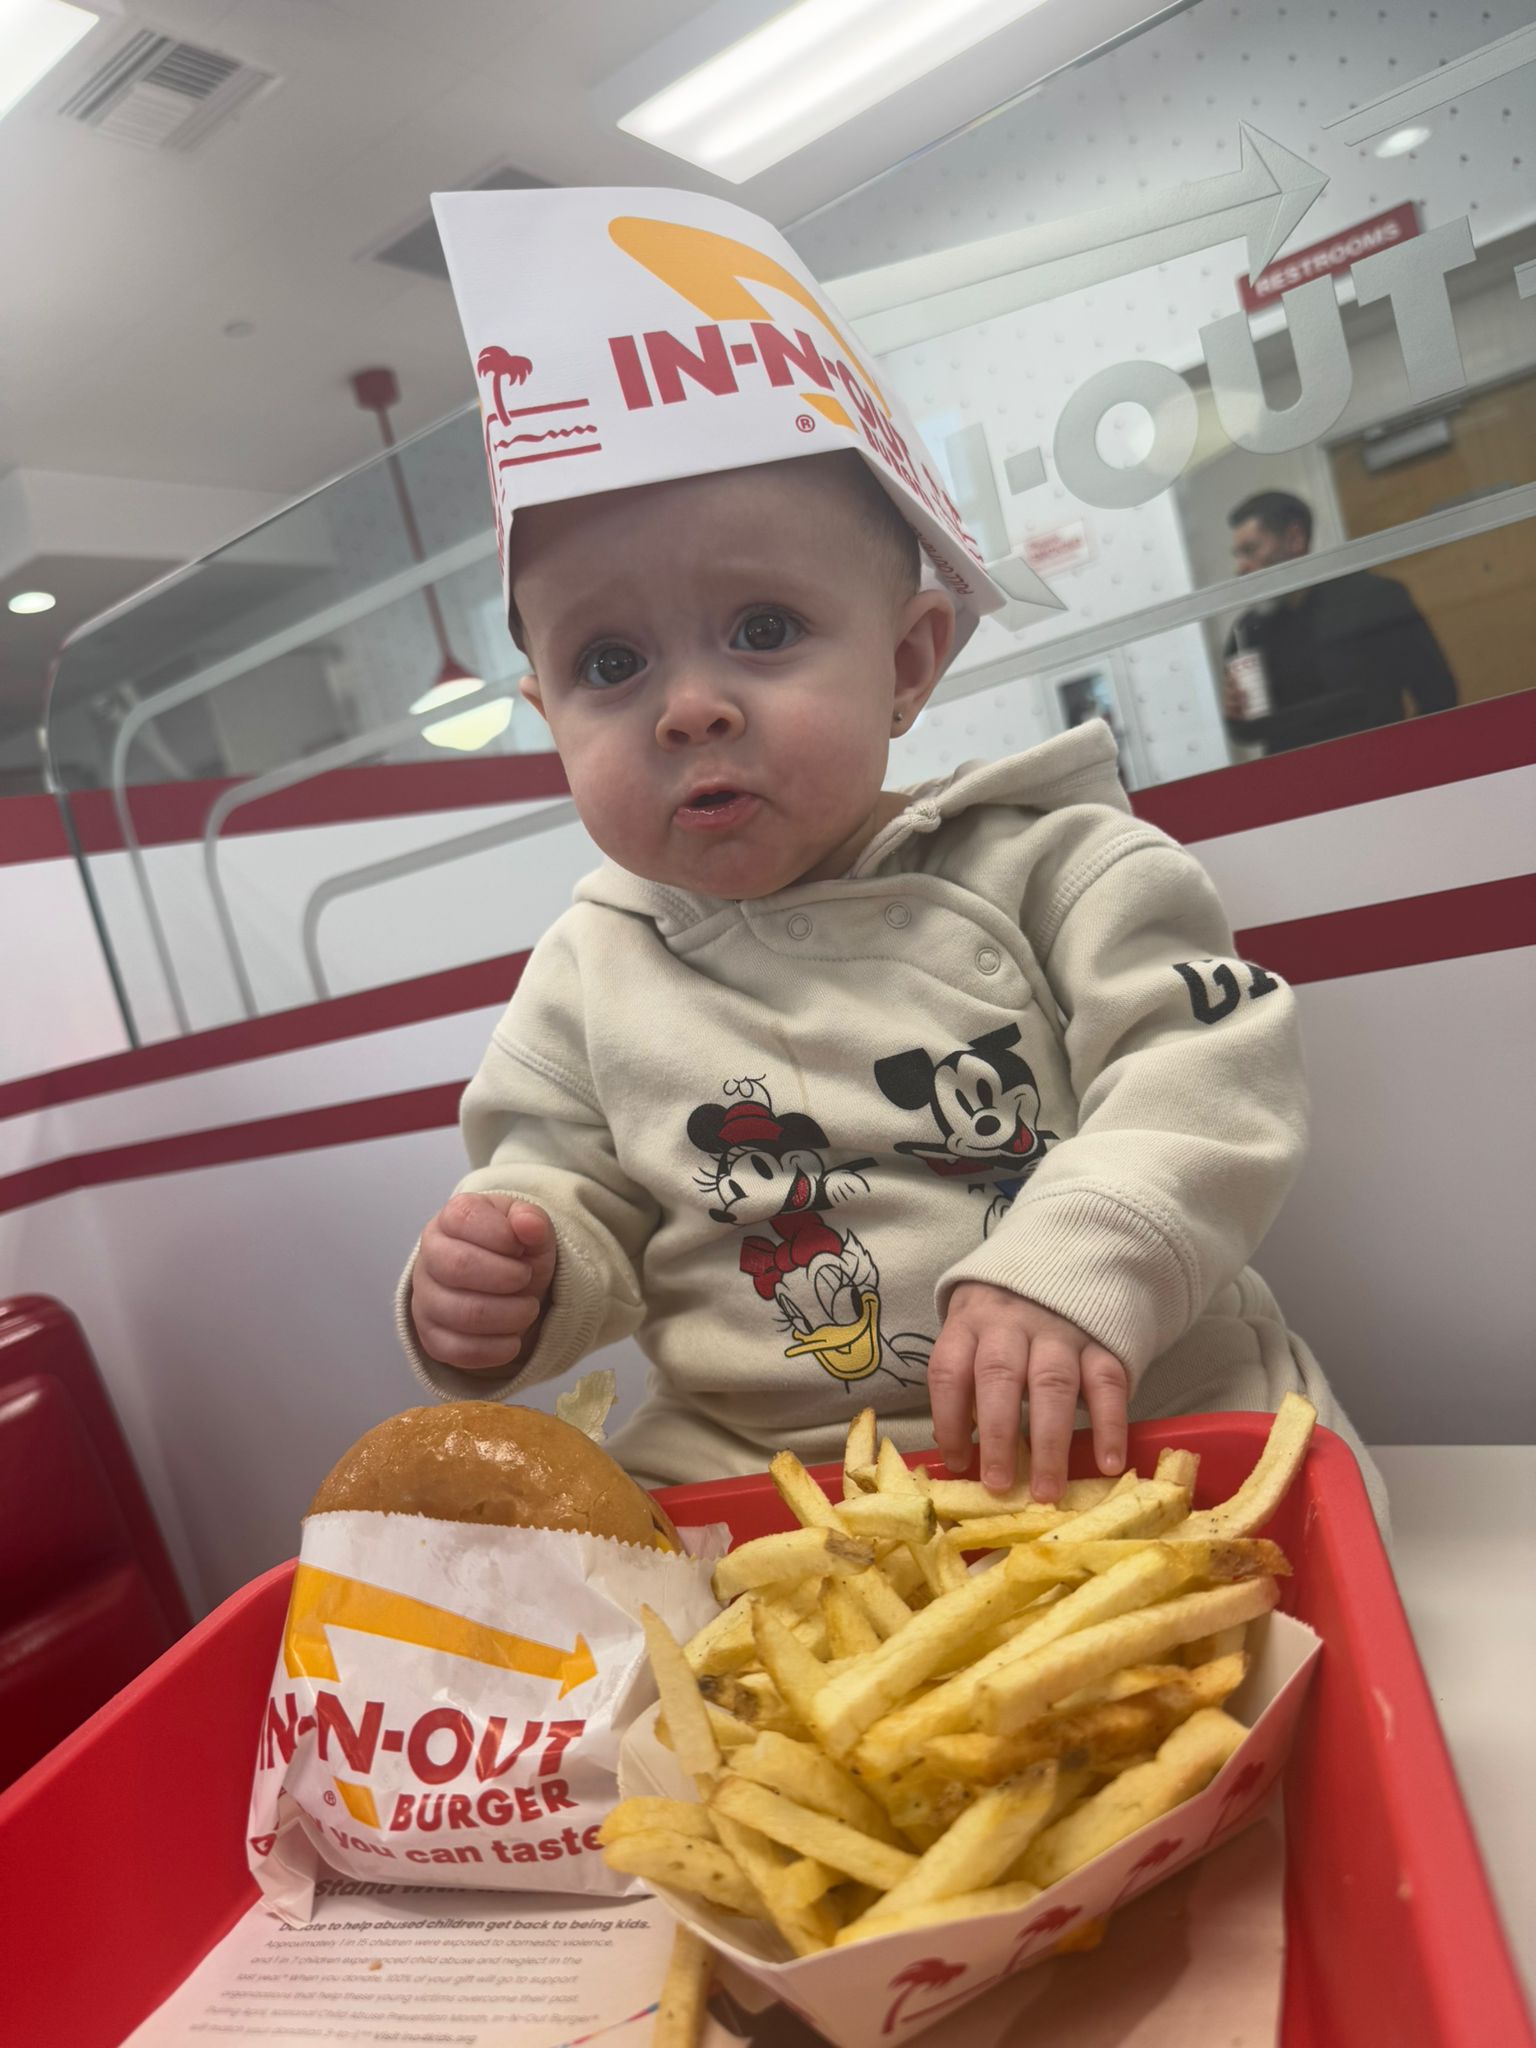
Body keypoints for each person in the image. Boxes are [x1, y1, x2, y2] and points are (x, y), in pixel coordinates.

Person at [399, 185, 1382, 1519]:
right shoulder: (587, 972)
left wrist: (1075, 1265)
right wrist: (511, 1276)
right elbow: (558, 1192)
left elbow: (1209, 1072)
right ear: (548, 714)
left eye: (762, 629)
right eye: (610, 663)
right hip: (761, 1470)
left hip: (1123, 1414)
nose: (689, 708)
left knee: (1288, 1556)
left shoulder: (1057, 863)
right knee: (573, 1594)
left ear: (908, 660)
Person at [1221, 490, 1457, 754]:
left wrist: (1411, 757)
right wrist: (1236, 716)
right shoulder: (1248, 631)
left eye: (1250, 550)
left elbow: (1439, 695)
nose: (1240, 568)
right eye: (1237, 555)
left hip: (1382, 764)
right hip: (1298, 775)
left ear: (1295, 539)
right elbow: (1250, 731)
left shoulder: (1374, 599)